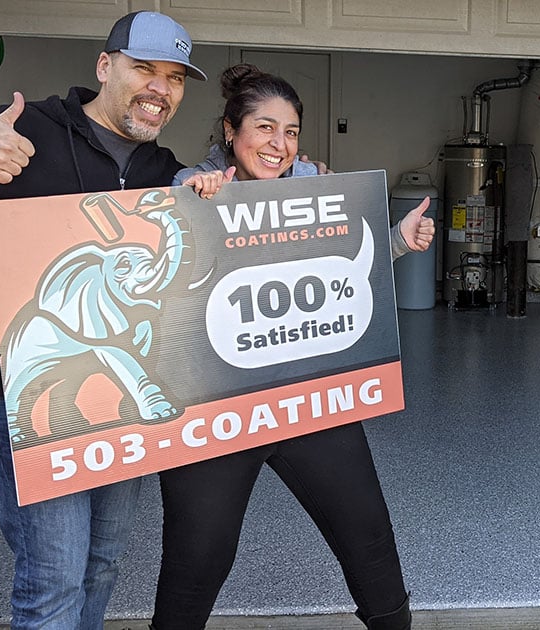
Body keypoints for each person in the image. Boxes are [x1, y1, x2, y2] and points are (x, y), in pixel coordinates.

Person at [0, 11, 218, 629]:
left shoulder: (162, 172)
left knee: (102, 564)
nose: (161, 88)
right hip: (30, 401)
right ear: (105, 67)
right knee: (51, 579)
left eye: (175, 78)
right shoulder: (20, 131)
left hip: (121, 401)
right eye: (144, 69)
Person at [154, 64, 433, 630]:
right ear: (230, 131)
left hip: (310, 395)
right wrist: (189, 208)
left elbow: (346, 263)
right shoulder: (192, 183)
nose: (279, 145)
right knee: (196, 560)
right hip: (218, 408)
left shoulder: (315, 183)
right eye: (264, 128)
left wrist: (398, 241)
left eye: (291, 131)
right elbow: (160, 282)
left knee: (368, 534)